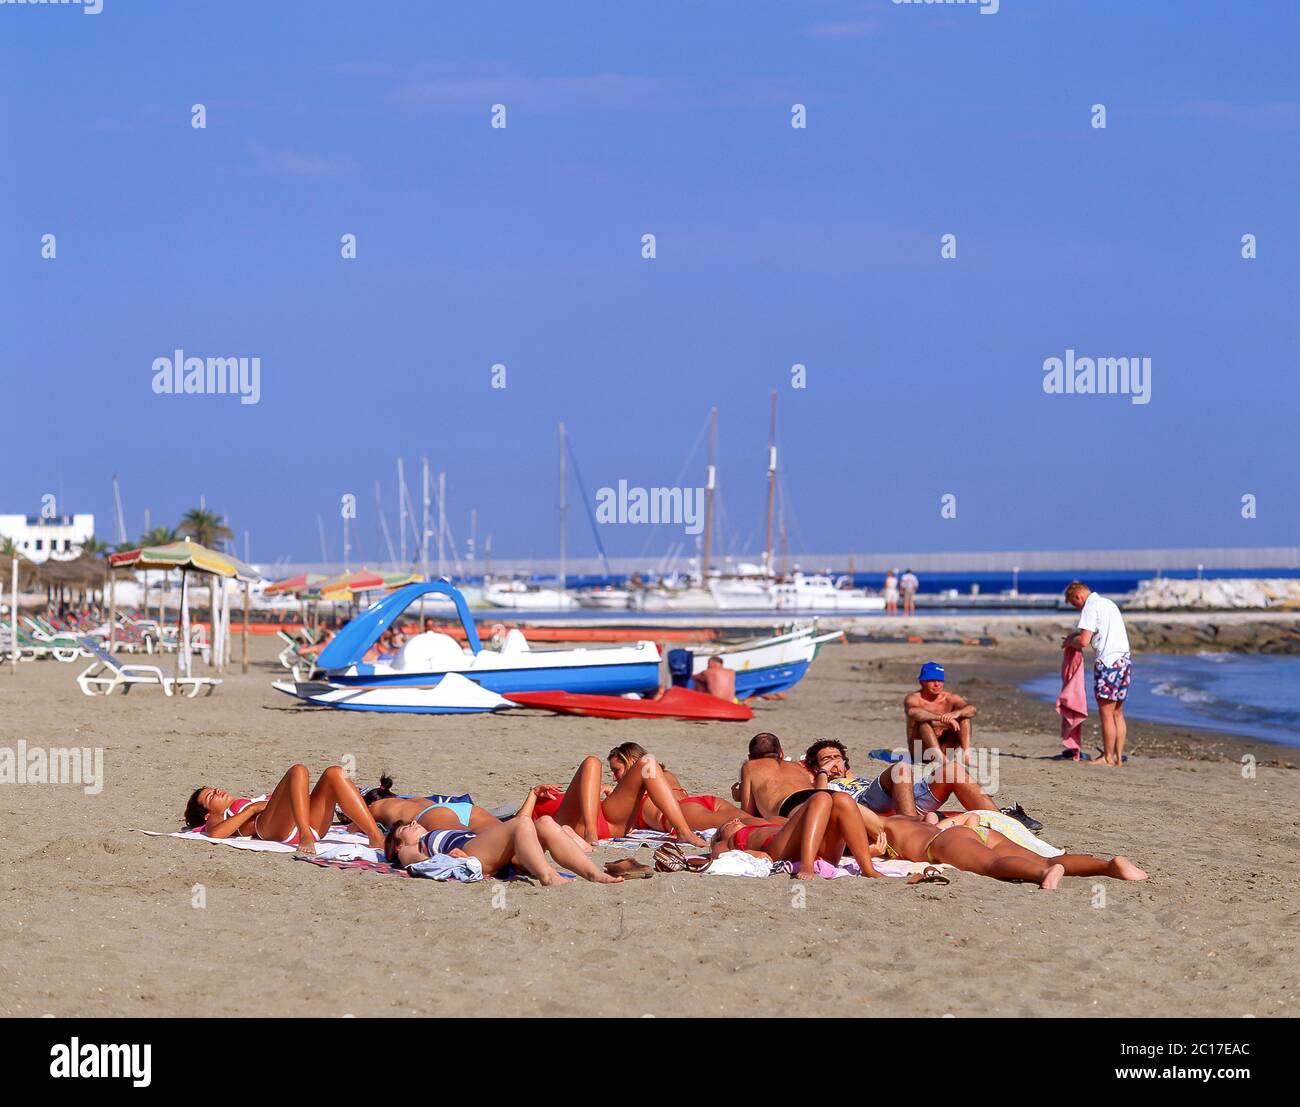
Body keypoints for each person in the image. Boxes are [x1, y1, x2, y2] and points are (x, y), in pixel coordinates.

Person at [878, 815, 1147, 889]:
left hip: (944, 844)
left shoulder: (889, 827)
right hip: (979, 831)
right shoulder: (923, 819)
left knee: (994, 865)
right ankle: (1110, 867)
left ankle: (1043, 874)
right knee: (1047, 857)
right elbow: (967, 819)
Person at [385, 805, 624, 885]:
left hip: (488, 849)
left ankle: (593, 874)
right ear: (397, 845)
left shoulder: (427, 835)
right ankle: (548, 876)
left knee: (546, 823)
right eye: (406, 827)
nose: (414, 823)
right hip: (474, 854)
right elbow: (414, 864)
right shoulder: (408, 850)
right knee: (520, 823)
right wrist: (447, 858)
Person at [184, 763, 385, 854]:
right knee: (298, 770)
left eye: (214, 789)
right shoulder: (217, 818)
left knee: (335, 773)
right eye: (211, 795)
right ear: (207, 813)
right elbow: (216, 834)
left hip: (309, 822)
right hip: (272, 830)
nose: (217, 791)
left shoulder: (238, 804)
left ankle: (375, 835)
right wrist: (252, 809)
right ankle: (305, 835)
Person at [529, 752, 709, 848]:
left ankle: (683, 830)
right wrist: (533, 793)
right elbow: (521, 820)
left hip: (610, 820)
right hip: (569, 821)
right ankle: (590, 834)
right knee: (592, 761)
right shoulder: (530, 808)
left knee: (648, 762)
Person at [804, 738, 997, 821]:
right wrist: (822, 772)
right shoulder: (825, 784)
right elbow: (820, 798)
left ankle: (1003, 820)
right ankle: (912, 826)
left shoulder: (856, 777)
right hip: (865, 805)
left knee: (952, 769)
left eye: (837, 758)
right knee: (901, 768)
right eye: (827, 759)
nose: (833, 763)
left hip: (903, 799)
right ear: (817, 767)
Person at [709, 791, 889, 880]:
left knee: (842, 799)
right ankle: (807, 865)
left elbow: (801, 824)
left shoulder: (758, 822)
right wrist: (754, 854)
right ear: (721, 836)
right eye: (726, 826)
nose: (733, 821)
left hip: (816, 849)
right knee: (821, 798)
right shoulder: (728, 841)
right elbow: (718, 855)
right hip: (778, 850)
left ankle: (867, 868)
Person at [606, 743, 765, 833]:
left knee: (756, 825)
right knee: (759, 822)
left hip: (681, 814)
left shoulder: (639, 788)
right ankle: (789, 824)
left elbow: (621, 822)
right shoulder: (665, 774)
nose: (614, 777)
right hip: (704, 802)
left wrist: (610, 793)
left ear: (633, 762)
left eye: (616, 770)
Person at [1062, 581, 1131, 766]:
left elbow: (1084, 641)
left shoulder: (1090, 607)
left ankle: (1107, 757)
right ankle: (1117, 757)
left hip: (1108, 663)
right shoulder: (1109, 603)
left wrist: (1069, 641)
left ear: (1078, 596)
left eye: (1075, 604)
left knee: (1106, 713)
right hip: (1124, 661)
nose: (1077, 609)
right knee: (1118, 712)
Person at [362, 775, 502, 833]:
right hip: (464, 809)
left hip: (433, 815)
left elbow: (355, 825)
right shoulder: (412, 799)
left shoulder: (376, 808)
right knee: (507, 842)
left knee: (472, 845)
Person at [904, 661, 977, 763]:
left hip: (947, 751)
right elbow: (912, 712)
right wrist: (940, 717)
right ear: (922, 682)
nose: (937, 684)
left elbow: (972, 710)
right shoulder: (914, 698)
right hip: (921, 754)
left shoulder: (950, 698)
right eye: (932, 680)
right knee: (923, 722)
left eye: (940, 680)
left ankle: (967, 756)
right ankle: (942, 759)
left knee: (964, 718)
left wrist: (956, 713)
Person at [735, 732, 819, 819]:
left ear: (750, 758)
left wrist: (740, 796)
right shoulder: (797, 766)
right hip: (820, 796)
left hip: (792, 804)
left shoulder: (750, 766)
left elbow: (748, 815)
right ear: (781, 753)